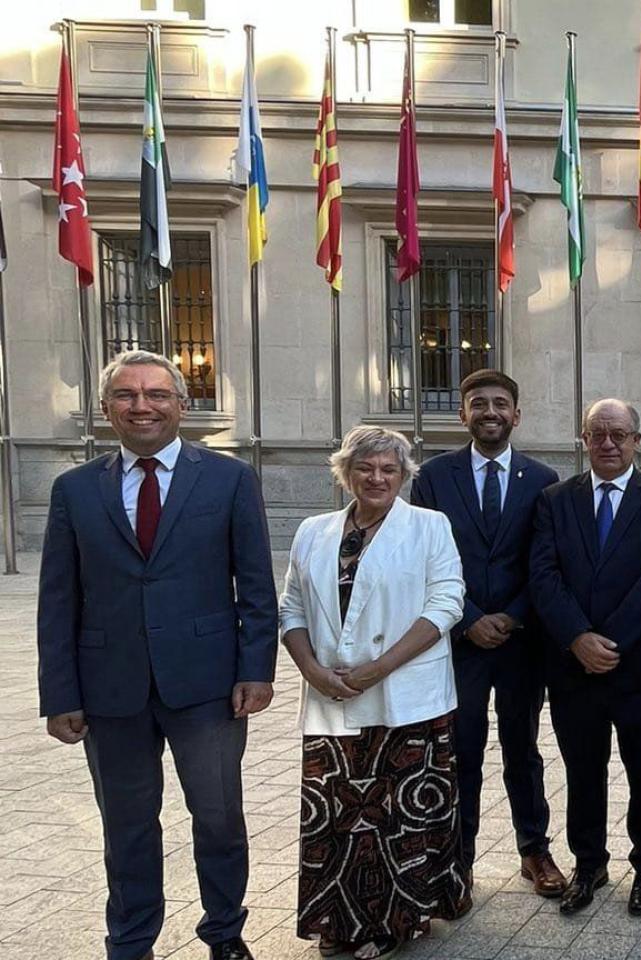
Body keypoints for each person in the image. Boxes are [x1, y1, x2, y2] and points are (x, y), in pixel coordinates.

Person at [37, 350, 277, 960]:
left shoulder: (228, 479)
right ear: (105, 409)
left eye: (156, 394)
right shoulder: (74, 490)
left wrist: (256, 669)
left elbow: (255, 583)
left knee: (219, 819)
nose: (141, 405)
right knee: (127, 826)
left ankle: (224, 933)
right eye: (126, 395)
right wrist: (60, 694)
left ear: (182, 405)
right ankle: (131, 941)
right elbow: (57, 599)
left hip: (207, 687)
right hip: (109, 689)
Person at [280, 426, 470, 960]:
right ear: (346, 473)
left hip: (404, 694)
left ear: (405, 474)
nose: (377, 478)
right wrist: (311, 669)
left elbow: (446, 604)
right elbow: (290, 607)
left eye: (389, 469)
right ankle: (336, 919)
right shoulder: (313, 531)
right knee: (336, 813)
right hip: (331, 692)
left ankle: (394, 922)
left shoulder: (430, 526)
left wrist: (379, 668)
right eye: (366, 468)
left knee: (397, 815)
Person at [410, 370, 563, 897]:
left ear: (516, 415)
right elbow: (424, 558)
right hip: (459, 642)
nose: (490, 412)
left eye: (501, 404)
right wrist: (470, 617)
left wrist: (512, 616)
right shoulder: (432, 477)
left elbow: (544, 563)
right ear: (463, 414)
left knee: (522, 748)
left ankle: (534, 852)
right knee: (463, 751)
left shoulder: (543, 479)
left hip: (521, 644)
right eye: (479, 403)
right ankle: (459, 859)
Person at [531, 399, 641, 917]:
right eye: (598, 434)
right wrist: (578, 639)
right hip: (573, 668)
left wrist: (607, 643)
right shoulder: (554, 500)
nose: (609, 444)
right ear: (584, 438)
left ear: (637, 440)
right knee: (583, 771)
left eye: (619, 434)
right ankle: (589, 862)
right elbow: (544, 576)